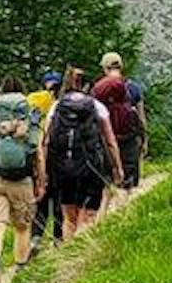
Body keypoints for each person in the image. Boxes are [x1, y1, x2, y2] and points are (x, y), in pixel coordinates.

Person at [0, 77, 45, 283]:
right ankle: (20, 272)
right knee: (22, 227)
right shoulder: (28, 118)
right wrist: (40, 181)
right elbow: (38, 153)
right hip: (22, 180)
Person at [45, 67, 123, 238]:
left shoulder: (57, 106)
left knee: (69, 218)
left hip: (64, 168)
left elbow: (45, 140)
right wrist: (117, 168)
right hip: (91, 168)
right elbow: (110, 142)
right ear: (89, 86)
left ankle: (66, 258)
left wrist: (44, 170)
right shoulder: (97, 107)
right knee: (87, 217)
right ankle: (78, 257)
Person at [91, 49, 149, 206]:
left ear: (104, 68)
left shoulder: (98, 89)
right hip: (128, 140)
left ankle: (101, 222)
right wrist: (144, 141)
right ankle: (120, 219)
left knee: (105, 184)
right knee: (126, 184)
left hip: (105, 141)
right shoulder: (133, 88)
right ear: (121, 67)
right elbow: (141, 118)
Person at [28, 71, 64, 247]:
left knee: (41, 197)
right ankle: (58, 238)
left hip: (36, 154)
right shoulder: (61, 103)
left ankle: (36, 237)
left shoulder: (33, 101)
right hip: (57, 156)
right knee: (58, 198)